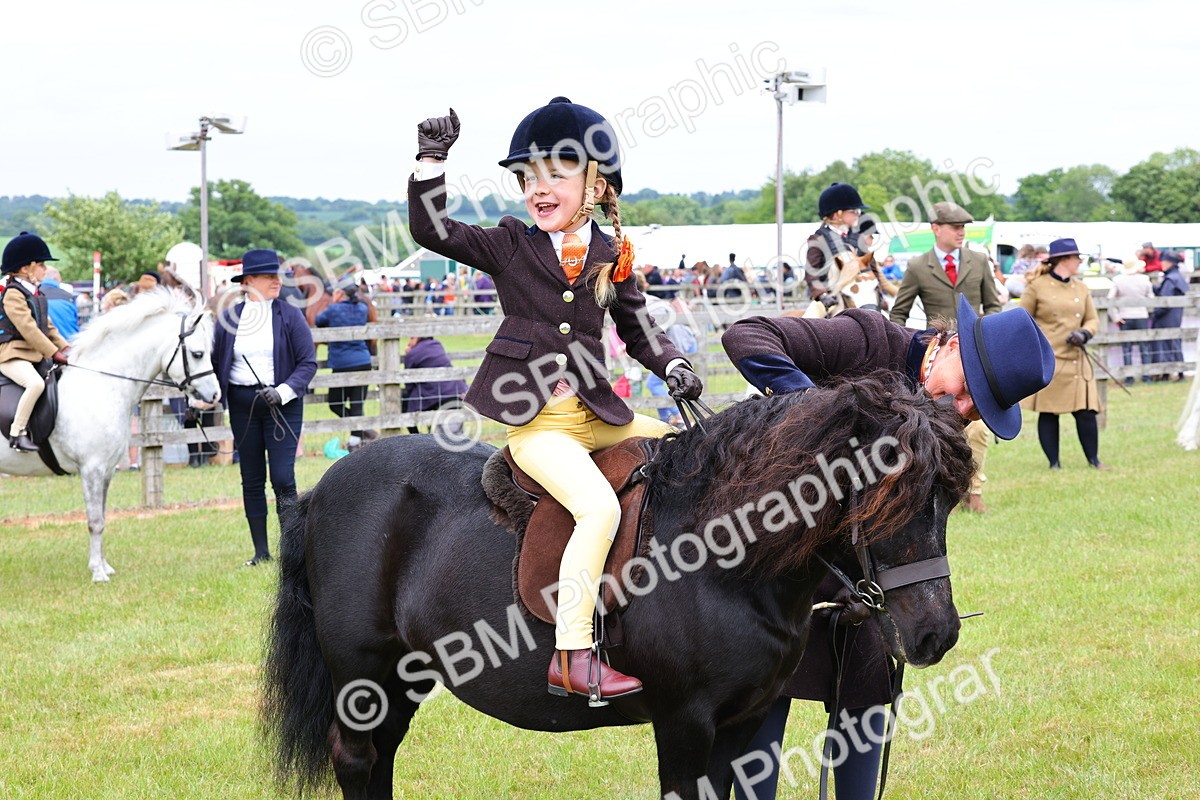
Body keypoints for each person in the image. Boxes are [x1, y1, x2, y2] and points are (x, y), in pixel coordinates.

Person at [408, 97, 702, 704]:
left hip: (597, 416)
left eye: (555, 175)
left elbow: (636, 326)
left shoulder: (610, 254)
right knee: (598, 509)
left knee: (691, 449)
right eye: (526, 179)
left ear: (596, 184)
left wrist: (672, 362)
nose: (537, 190)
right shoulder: (511, 245)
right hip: (538, 425)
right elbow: (433, 230)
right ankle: (571, 655)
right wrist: (431, 162)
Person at [722, 294, 1054, 800]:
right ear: (951, 347)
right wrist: (823, 418)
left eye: (977, 408)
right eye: (968, 390)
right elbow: (745, 336)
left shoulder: (943, 425)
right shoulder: (867, 339)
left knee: (866, 697)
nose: (961, 410)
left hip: (872, 580)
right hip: (783, 565)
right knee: (764, 712)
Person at [889, 201, 1001, 513]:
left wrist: (988, 340)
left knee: (977, 427)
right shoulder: (917, 266)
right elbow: (898, 313)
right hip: (935, 359)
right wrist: (901, 349)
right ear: (936, 229)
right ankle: (938, 490)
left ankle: (974, 490)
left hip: (973, 358)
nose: (961, 233)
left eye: (964, 227)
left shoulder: (979, 262)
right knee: (928, 425)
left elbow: (993, 306)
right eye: (955, 227)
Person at [212, 249, 317, 566]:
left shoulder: (289, 314)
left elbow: (307, 363)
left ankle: (291, 551)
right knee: (251, 477)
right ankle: (260, 552)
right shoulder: (230, 318)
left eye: (277, 275)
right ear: (248, 282)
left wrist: (283, 392)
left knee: (283, 477)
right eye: (269, 276)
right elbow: (218, 362)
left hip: (281, 406)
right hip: (242, 406)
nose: (276, 281)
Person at [1019, 238, 1107, 469]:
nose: (1080, 261)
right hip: (1051, 360)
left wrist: (1085, 333)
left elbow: (1092, 318)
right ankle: (1054, 464)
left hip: (1078, 360)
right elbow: (1022, 320)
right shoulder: (1037, 287)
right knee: (1050, 413)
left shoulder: (1081, 287)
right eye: (1076, 257)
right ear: (1064, 259)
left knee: (1086, 411)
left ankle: (1094, 460)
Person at [0, 232, 71, 451]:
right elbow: (28, 329)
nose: (45, 269)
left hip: (31, 355)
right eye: (40, 264)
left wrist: (66, 347)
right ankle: (17, 434)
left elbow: (48, 326)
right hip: (11, 354)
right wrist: (53, 352)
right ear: (25, 268)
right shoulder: (13, 294)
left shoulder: (36, 294)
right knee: (35, 383)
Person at [316, 283, 374, 450]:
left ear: (340, 294)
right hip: (363, 361)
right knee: (357, 404)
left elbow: (319, 321)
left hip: (342, 363)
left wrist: (333, 302)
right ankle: (359, 435)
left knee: (335, 402)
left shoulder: (333, 310)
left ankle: (355, 442)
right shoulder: (362, 308)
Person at [804, 183, 869, 309]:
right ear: (837, 215)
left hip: (858, 293)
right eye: (854, 211)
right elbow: (811, 273)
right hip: (830, 296)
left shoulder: (858, 237)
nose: (858, 214)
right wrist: (822, 295)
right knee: (812, 315)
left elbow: (870, 267)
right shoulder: (818, 239)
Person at [401, 336, 468, 434]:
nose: (409, 342)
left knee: (405, 403)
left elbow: (409, 383)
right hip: (455, 389)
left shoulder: (412, 353)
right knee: (453, 432)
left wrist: (409, 353)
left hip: (436, 393)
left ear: (417, 338)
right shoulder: (436, 344)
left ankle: (415, 437)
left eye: (411, 338)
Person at [1107, 258, 1154, 385]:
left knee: (1126, 348)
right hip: (1141, 316)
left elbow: (1109, 300)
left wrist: (1116, 317)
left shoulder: (1117, 280)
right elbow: (1151, 298)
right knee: (1145, 347)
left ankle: (1129, 377)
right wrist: (1148, 311)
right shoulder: (1145, 279)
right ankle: (1146, 376)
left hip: (1125, 316)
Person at [1151, 251, 1188, 381]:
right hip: (1174, 316)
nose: (1162, 264)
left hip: (1166, 317)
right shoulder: (1177, 277)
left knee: (1167, 345)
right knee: (1173, 344)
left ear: (1169, 263)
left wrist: (1155, 314)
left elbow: (1165, 301)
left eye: (1164, 262)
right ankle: (1177, 373)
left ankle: (1170, 374)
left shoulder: (1171, 279)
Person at [39, 266, 80, 341]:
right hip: (70, 343)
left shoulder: (34, 296)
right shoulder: (69, 297)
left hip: (46, 345)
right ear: (57, 279)